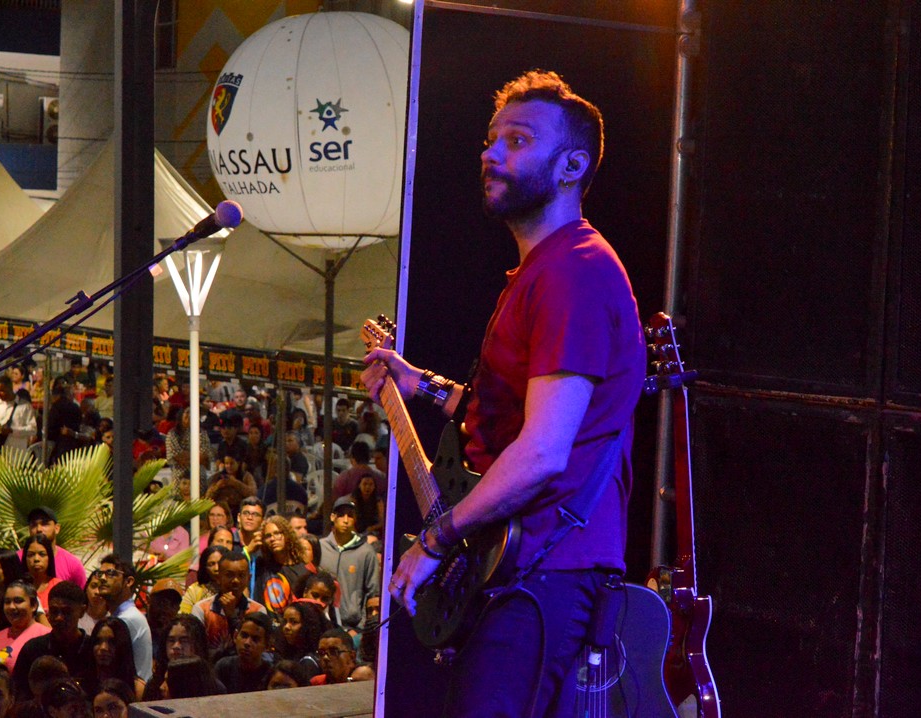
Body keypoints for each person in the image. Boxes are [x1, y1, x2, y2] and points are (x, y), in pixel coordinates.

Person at [361, 70, 645, 717]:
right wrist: (423, 386)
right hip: (524, 567)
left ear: (572, 164)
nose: (491, 153)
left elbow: (544, 451)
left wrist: (433, 544)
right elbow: (522, 420)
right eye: (491, 140)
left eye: (517, 140)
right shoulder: (541, 272)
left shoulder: (574, 273)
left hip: (548, 565)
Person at [12, 581, 94, 702]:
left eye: (66, 612)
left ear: (82, 611)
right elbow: (19, 696)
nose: (59, 618)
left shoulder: (92, 649)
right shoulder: (33, 649)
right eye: (54, 611)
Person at [317, 497, 380, 635]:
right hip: (321, 624)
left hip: (352, 628)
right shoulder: (320, 547)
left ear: (355, 519)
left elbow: (373, 593)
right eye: (341, 515)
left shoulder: (366, 552)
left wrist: (361, 627)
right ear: (333, 517)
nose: (345, 520)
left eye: (350, 515)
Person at [190, 549, 266, 658]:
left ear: (248, 578)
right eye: (229, 575)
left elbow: (257, 651)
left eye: (241, 575)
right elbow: (196, 650)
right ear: (218, 578)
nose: (235, 580)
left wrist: (232, 616)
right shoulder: (201, 609)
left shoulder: (257, 610)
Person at [94, 554, 152, 683]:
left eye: (110, 573)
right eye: (100, 574)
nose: (102, 579)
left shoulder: (129, 618)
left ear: (129, 581)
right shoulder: (118, 616)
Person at [142, 615, 210, 700]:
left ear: (198, 644)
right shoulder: (154, 684)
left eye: (184, 641)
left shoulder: (210, 685)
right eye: (171, 640)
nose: (176, 646)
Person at [254, 515, 312, 615]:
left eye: (277, 533)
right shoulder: (261, 565)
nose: (272, 539)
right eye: (268, 536)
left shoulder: (302, 570)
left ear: (286, 535)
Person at [0, 580, 50, 674]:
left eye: (18, 601)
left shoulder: (45, 636)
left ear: (34, 605)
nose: (11, 607)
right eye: (7, 602)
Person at [23, 506, 87, 589]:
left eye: (44, 524)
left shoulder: (73, 564)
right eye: (34, 525)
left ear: (57, 528)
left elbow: (81, 598)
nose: (39, 529)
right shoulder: (17, 558)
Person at [213, 613, 273, 694]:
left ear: (267, 646)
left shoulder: (270, 674)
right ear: (235, 636)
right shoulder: (223, 667)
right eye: (244, 636)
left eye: (255, 639)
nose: (247, 643)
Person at [88, 617, 142, 698]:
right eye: (98, 641)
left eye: (111, 642)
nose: (103, 648)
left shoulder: (137, 688)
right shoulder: (84, 684)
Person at [273, 600, 326, 680]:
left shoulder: (309, 662)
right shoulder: (286, 653)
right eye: (285, 621)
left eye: (293, 622)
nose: (286, 627)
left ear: (307, 626)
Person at [21, 534, 63, 612]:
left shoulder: (59, 587)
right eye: (31, 555)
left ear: (49, 557)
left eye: (42, 554)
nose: (36, 559)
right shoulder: (17, 588)